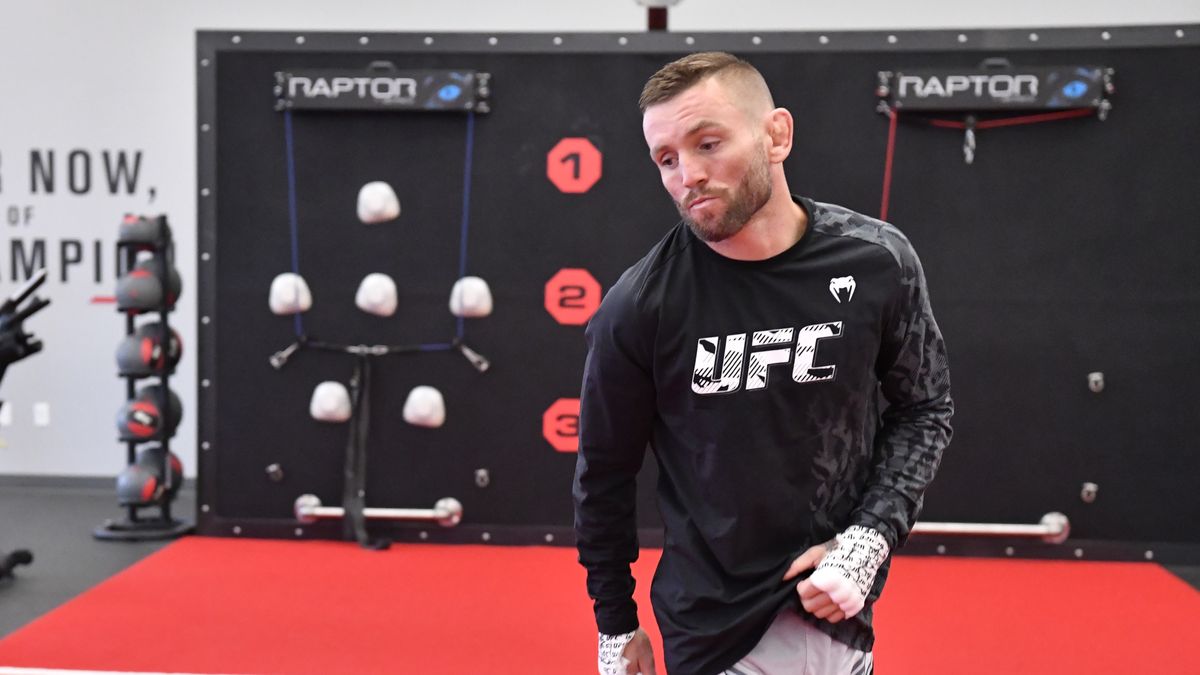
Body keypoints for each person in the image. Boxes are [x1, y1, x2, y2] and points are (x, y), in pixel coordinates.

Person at [573, 52, 953, 675]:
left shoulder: (877, 261)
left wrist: (868, 539)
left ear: (776, 134)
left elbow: (925, 407)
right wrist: (615, 624)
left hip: (839, 613)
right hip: (710, 629)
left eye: (708, 143)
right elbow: (603, 475)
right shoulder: (640, 306)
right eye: (666, 159)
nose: (687, 174)